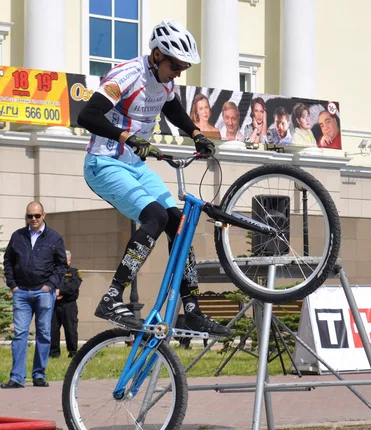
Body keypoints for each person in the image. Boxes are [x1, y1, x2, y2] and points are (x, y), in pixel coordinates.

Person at [77, 19, 231, 339]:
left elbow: (173, 110)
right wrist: (127, 137)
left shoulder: (165, 80)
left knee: (179, 222)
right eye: (176, 66)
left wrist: (197, 135)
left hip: (134, 165)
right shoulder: (126, 75)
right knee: (156, 216)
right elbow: (87, 115)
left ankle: (191, 311)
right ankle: (112, 298)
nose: (178, 73)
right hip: (104, 164)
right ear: (158, 54)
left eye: (183, 68)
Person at [1, 202, 67, 389]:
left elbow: (61, 265)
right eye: (30, 216)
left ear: (43, 215)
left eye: (37, 216)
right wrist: (12, 285)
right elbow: (8, 261)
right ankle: (17, 378)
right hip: (21, 292)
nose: (33, 220)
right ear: (26, 217)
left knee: (44, 334)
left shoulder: (54, 238)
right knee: (20, 334)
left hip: (43, 292)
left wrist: (50, 285)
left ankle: (39, 374)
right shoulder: (18, 236)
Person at [50, 250, 82, 359]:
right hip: (54, 305)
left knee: (70, 329)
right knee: (53, 329)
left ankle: (73, 353)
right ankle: (54, 353)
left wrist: (61, 291)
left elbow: (74, 286)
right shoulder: (53, 272)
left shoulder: (75, 272)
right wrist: (54, 292)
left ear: (69, 260)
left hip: (69, 305)